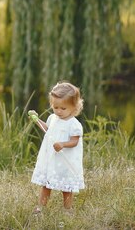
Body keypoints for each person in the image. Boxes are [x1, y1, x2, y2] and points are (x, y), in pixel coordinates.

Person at [28, 81, 85, 211]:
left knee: (66, 188)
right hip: (52, 160)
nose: (58, 111)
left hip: (66, 161)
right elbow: (48, 130)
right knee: (46, 185)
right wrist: (37, 120)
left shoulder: (73, 124)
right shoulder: (53, 118)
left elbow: (74, 141)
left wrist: (63, 144)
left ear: (74, 107)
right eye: (55, 107)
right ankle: (40, 208)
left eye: (63, 108)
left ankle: (67, 210)